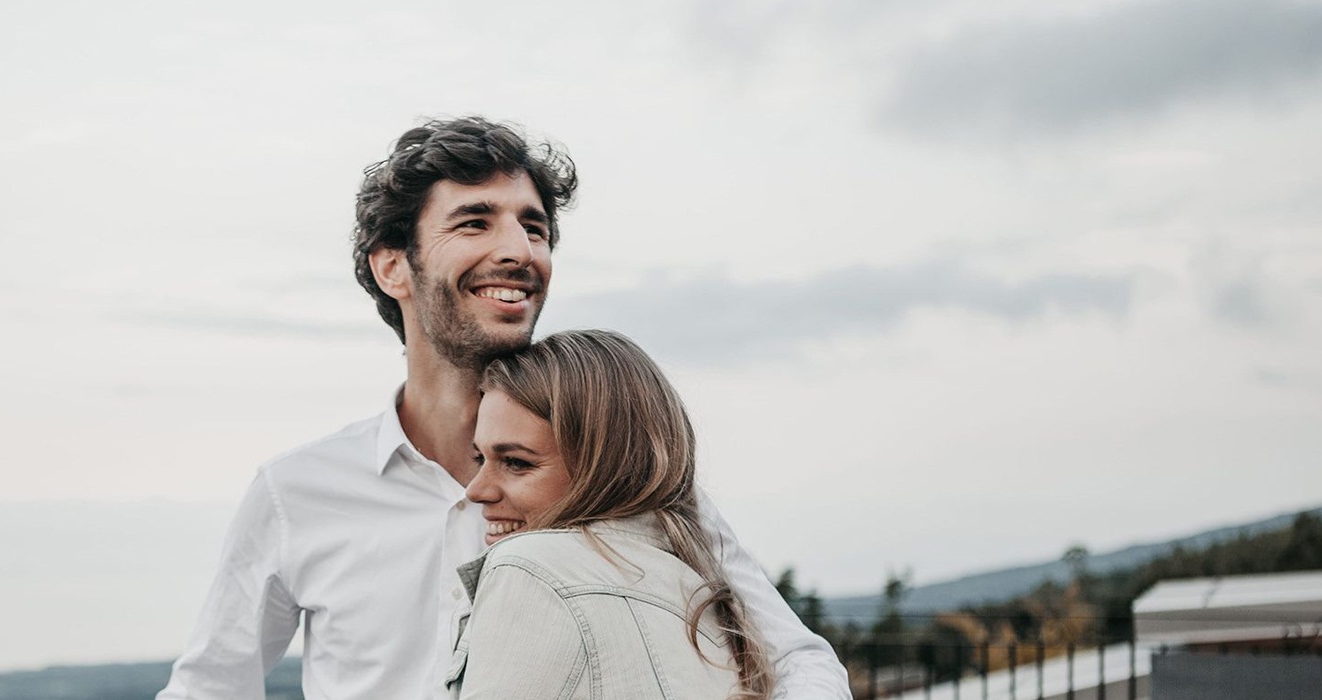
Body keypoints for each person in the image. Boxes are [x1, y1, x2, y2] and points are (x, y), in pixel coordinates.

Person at [157, 117, 850, 699]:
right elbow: (208, 689)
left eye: (536, 228)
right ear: (392, 265)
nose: (519, 250)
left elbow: (799, 661)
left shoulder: (616, 468)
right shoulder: (297, 491)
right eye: (475, 221)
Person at [451, 329, 773, 699]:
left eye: (517, 463)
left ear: (605, 466)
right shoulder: (703, 593)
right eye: (480, 458)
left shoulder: (530, 568)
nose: (476, 490)